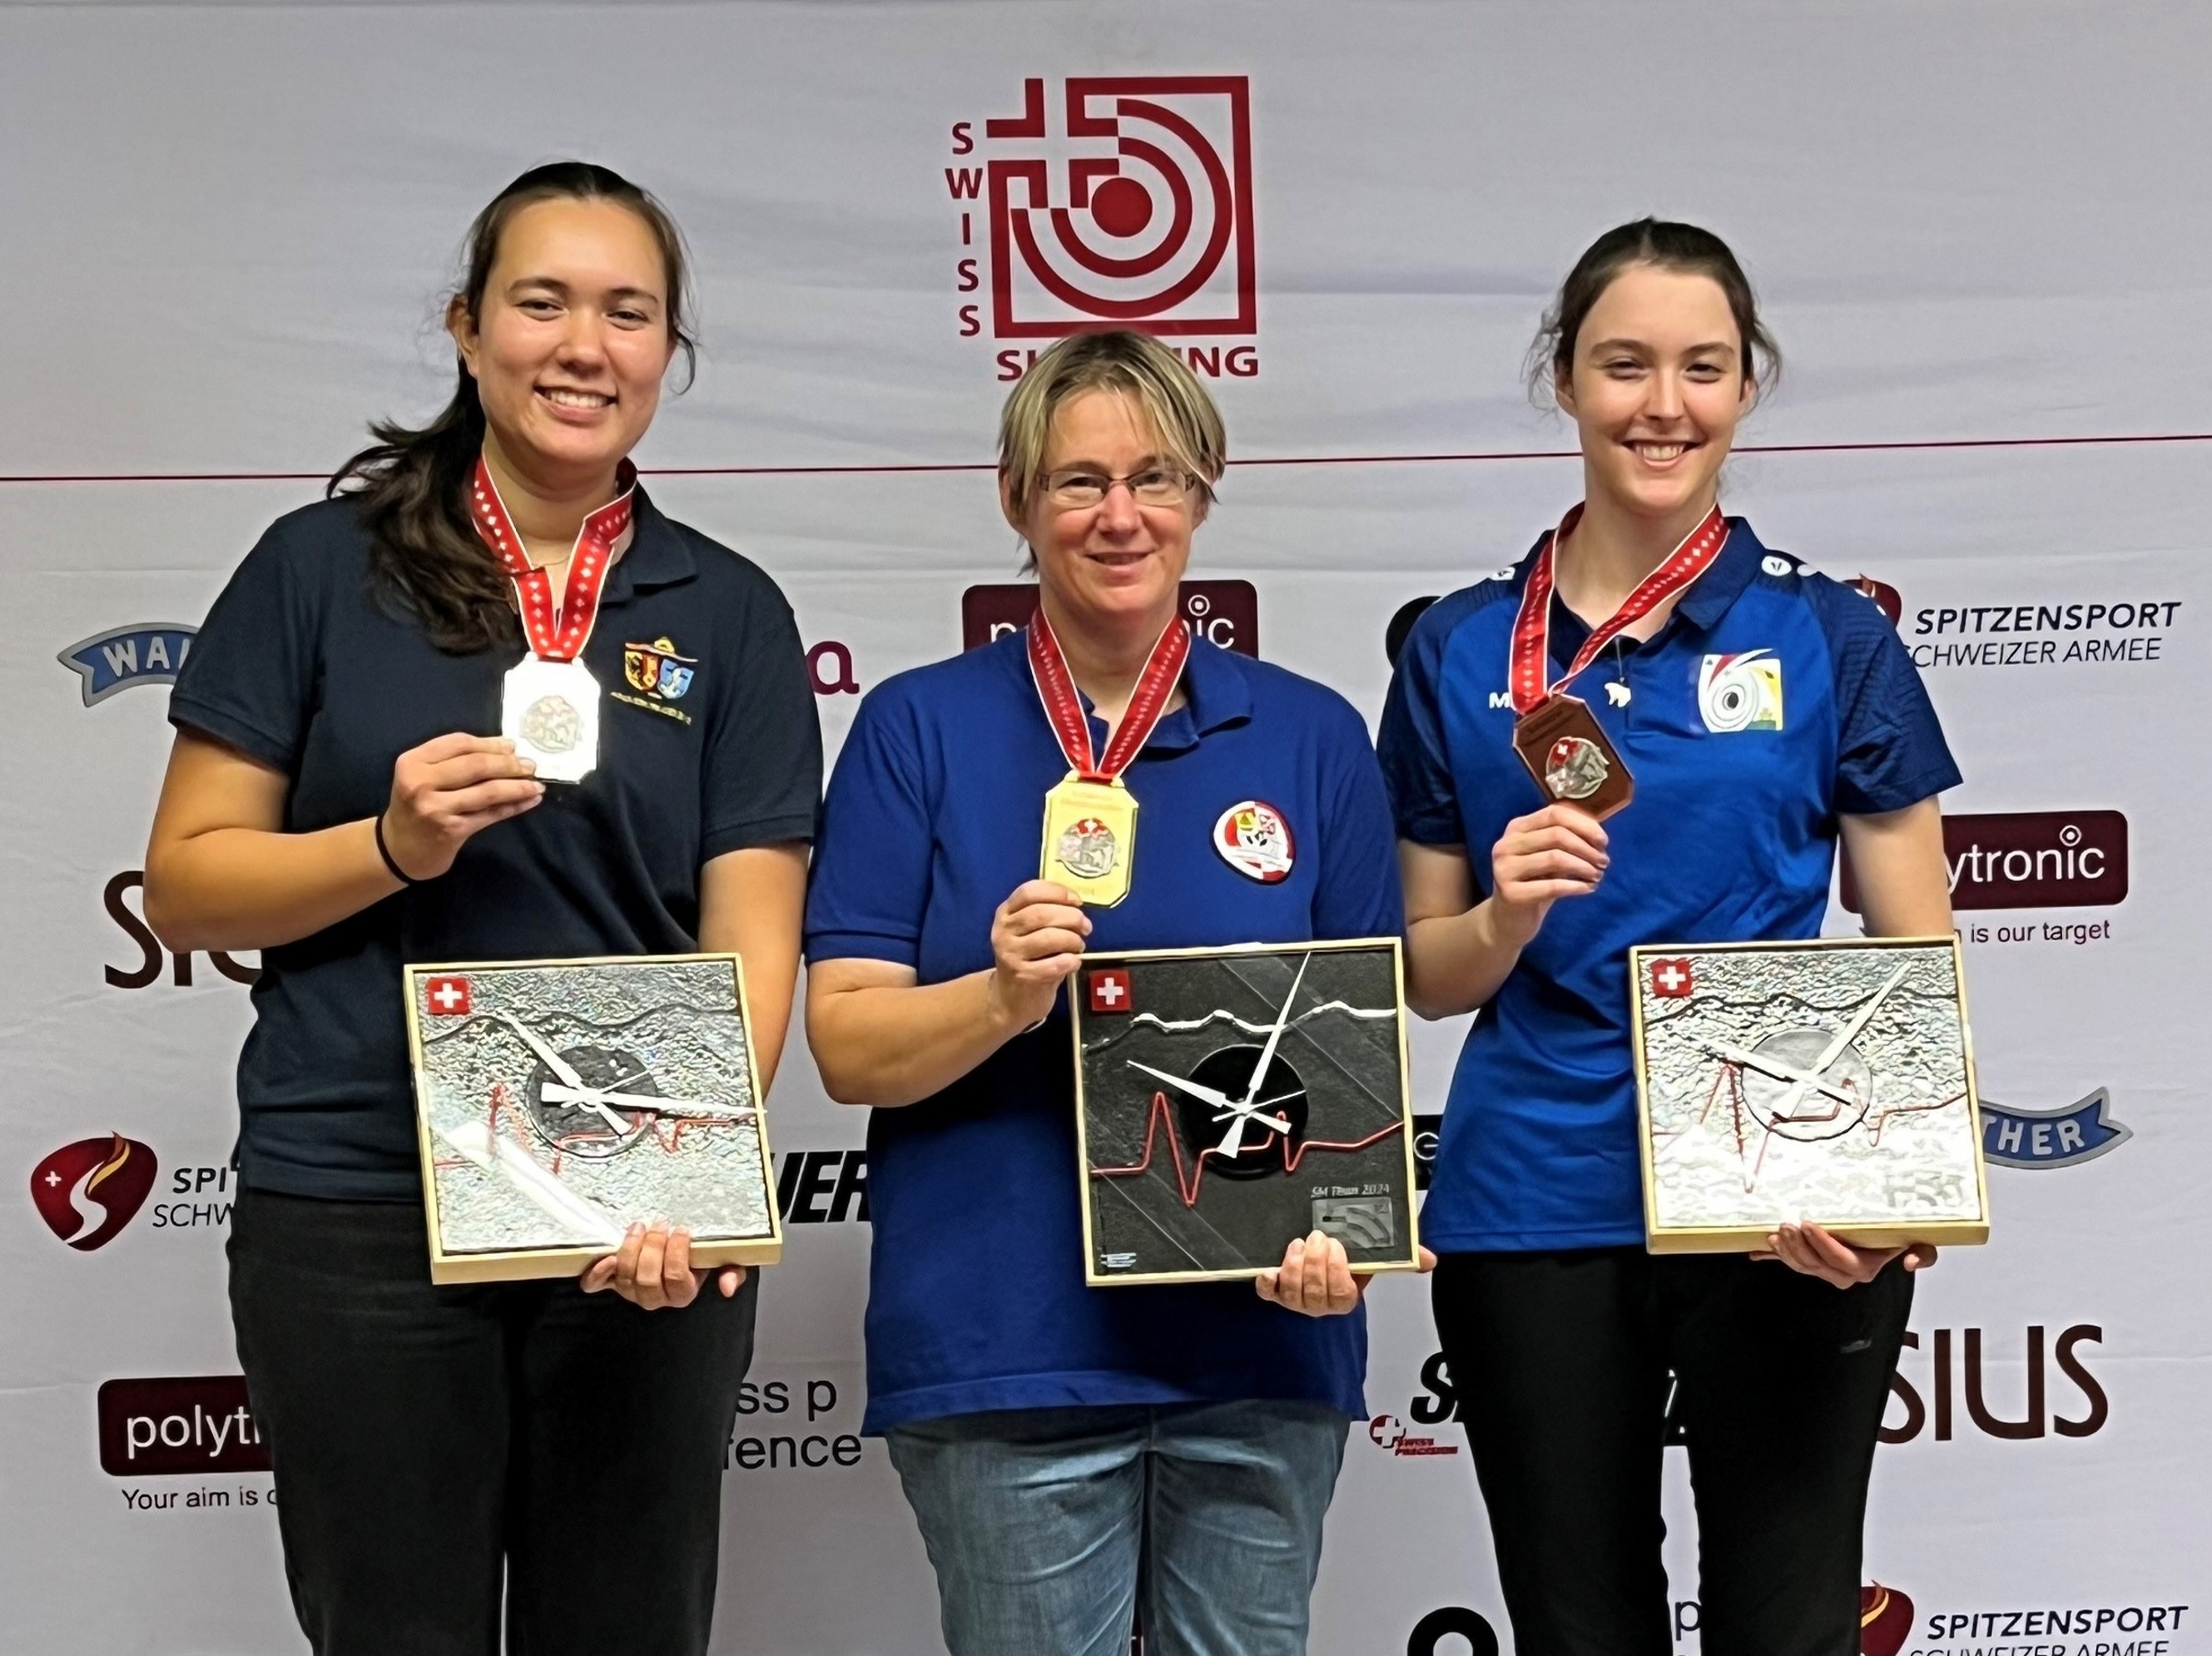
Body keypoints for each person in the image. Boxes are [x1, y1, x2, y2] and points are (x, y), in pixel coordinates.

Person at [141, 162, 821, 1656]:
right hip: (363, 1199)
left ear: (666, 354)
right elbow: (188, 879)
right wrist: (385, 843)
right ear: (466, 329)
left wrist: (687, 1178)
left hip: (628, 1206)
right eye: (543, 301)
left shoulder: (730, 611)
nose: (586, 344)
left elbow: (754, 936)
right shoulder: (321, 568)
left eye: (628, 313)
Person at [1378, 219, 1959, 1656]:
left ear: (1743, 387)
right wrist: (1506, 909)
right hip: (1535, 1197)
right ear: (1564, 382)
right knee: (1581, 1633)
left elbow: (1913, 952)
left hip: (1785, 1197)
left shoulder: (1830, 636)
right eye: (1623, 363)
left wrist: (1896, 1195)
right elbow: (1427, 976)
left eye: (1700, 367)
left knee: (1787, 1623)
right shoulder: (1457, 649)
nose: (1662, 402)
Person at [804, 330, 1406, 1656]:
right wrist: (999, 997)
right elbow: (846, 1044)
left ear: (1202, 493)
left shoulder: (1309, 735)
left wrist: (1341, 1242)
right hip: (1007, 1344)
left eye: (1155, 476)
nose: (1119, 514)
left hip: (1256, 1354)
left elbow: (1357, 1058)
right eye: (1078, 481)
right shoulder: (917, 727)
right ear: (1017, 502)